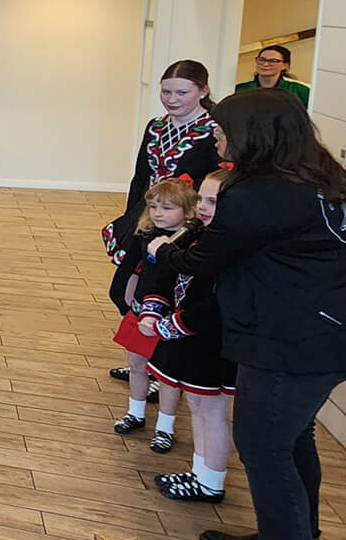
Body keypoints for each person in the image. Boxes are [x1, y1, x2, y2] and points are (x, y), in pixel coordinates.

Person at [151, 90, 346, 540]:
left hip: (286, 337)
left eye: (222, 128)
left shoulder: (259, 193)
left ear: (251, 133)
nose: (215, 135)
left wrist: (162, 250)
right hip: (322, 333)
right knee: (291, 436)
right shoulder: (321, 178)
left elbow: (203, 259)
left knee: (263, 445)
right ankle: (296, 536)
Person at [146, 167, 238, 503]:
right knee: (198, 405)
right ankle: (201, 474)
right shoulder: (196, 234)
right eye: (200, 197)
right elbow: (169, 271)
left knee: (211, 411)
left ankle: (211, 481)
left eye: (213, 201)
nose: (202, 206)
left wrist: (170, 326)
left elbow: (213, 305)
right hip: (189, 338)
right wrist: (153, 308)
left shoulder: (228, 247)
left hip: (211, 343)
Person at [102, 61, 221, 265]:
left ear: (203, 91)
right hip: (149, 213)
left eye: (182, 93)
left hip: (186, 221)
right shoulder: (155, 126)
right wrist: (132, 214)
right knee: (126, 283)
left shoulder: (215, 130)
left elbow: (216, 180)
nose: (172, 99)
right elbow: (141, 177)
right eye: (166, 92)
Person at [107, 177, 194, 449]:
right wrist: (125, 297)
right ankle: (136, 412)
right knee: (136, 363)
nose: (158, 213)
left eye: (167, 208)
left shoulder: (190, 244)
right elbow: (133, 268)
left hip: (172, 317)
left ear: (188, 211)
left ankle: (165, 427)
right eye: (154, 207)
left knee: (168, 375)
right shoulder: (145, 235)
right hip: (141, 310)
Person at [236, 44, 311, 104]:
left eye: (273, 61)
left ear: (285, 66)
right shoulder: (240, 89)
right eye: (261, 60)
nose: (265, 64)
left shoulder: (300, 91)